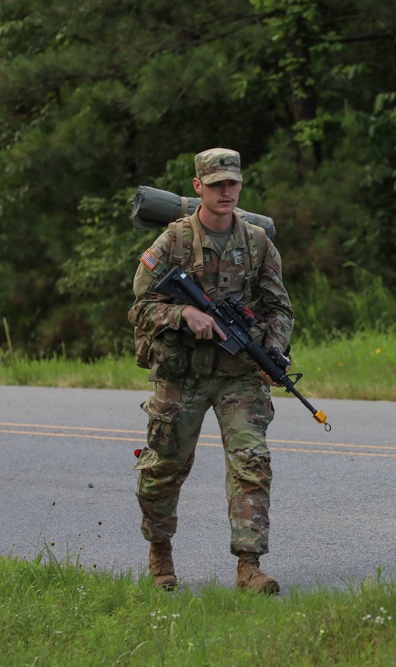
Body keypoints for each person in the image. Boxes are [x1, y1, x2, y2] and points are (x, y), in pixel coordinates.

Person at [128, 147, 294, 594]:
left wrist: (275, 352)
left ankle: (249, 566)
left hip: (239, 373)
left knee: (251, 464)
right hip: (181, 375)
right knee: (163, 466)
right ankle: (160, 553)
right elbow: (140, 307)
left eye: (232, 184)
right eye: (216, 183)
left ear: (240, 186)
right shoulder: (174, 242)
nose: (225, 191)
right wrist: (184, 316)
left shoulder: (258, 242)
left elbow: (280, 308)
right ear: (198, 187)